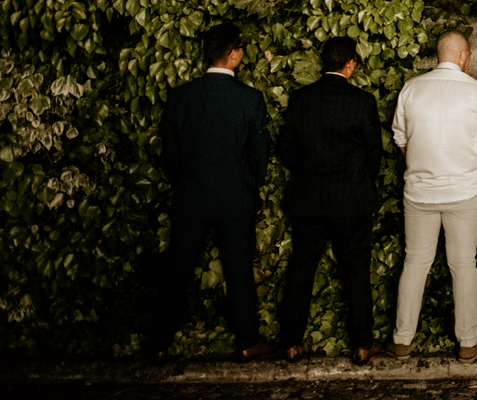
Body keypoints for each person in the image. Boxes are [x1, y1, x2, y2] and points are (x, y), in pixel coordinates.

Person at [147, 22, 273, 363]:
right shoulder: (250, 99)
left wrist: (186, 180)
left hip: (191, 194)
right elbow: (259, 154)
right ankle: (247, 341)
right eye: (241, 50)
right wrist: (249, 185)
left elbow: (169, 152)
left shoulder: (181, 96)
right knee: (239, 271)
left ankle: (158, 342)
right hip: (235, 197)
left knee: (177, 270)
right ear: (232, 54)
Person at [375, 31, 477, 363]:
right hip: (464, 191)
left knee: (415, 263)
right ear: (463, 56)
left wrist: (423, 164)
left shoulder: (412, 88)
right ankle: (468, 343)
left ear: (438, 55)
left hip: (419, 191)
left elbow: (401, 138)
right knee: (463, 265)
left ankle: (402, 341)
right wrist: (463, 167)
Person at [276, 36, 383, 365]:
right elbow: (374, 154)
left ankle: (292, 343)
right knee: (356, 270)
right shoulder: (362, 101)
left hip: (309, 198)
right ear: (350, 64)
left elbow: (286, 149)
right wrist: (356, 178)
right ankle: (363, 345)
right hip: (352, 199)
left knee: (302, 269)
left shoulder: (300, 99)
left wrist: (309, 172)